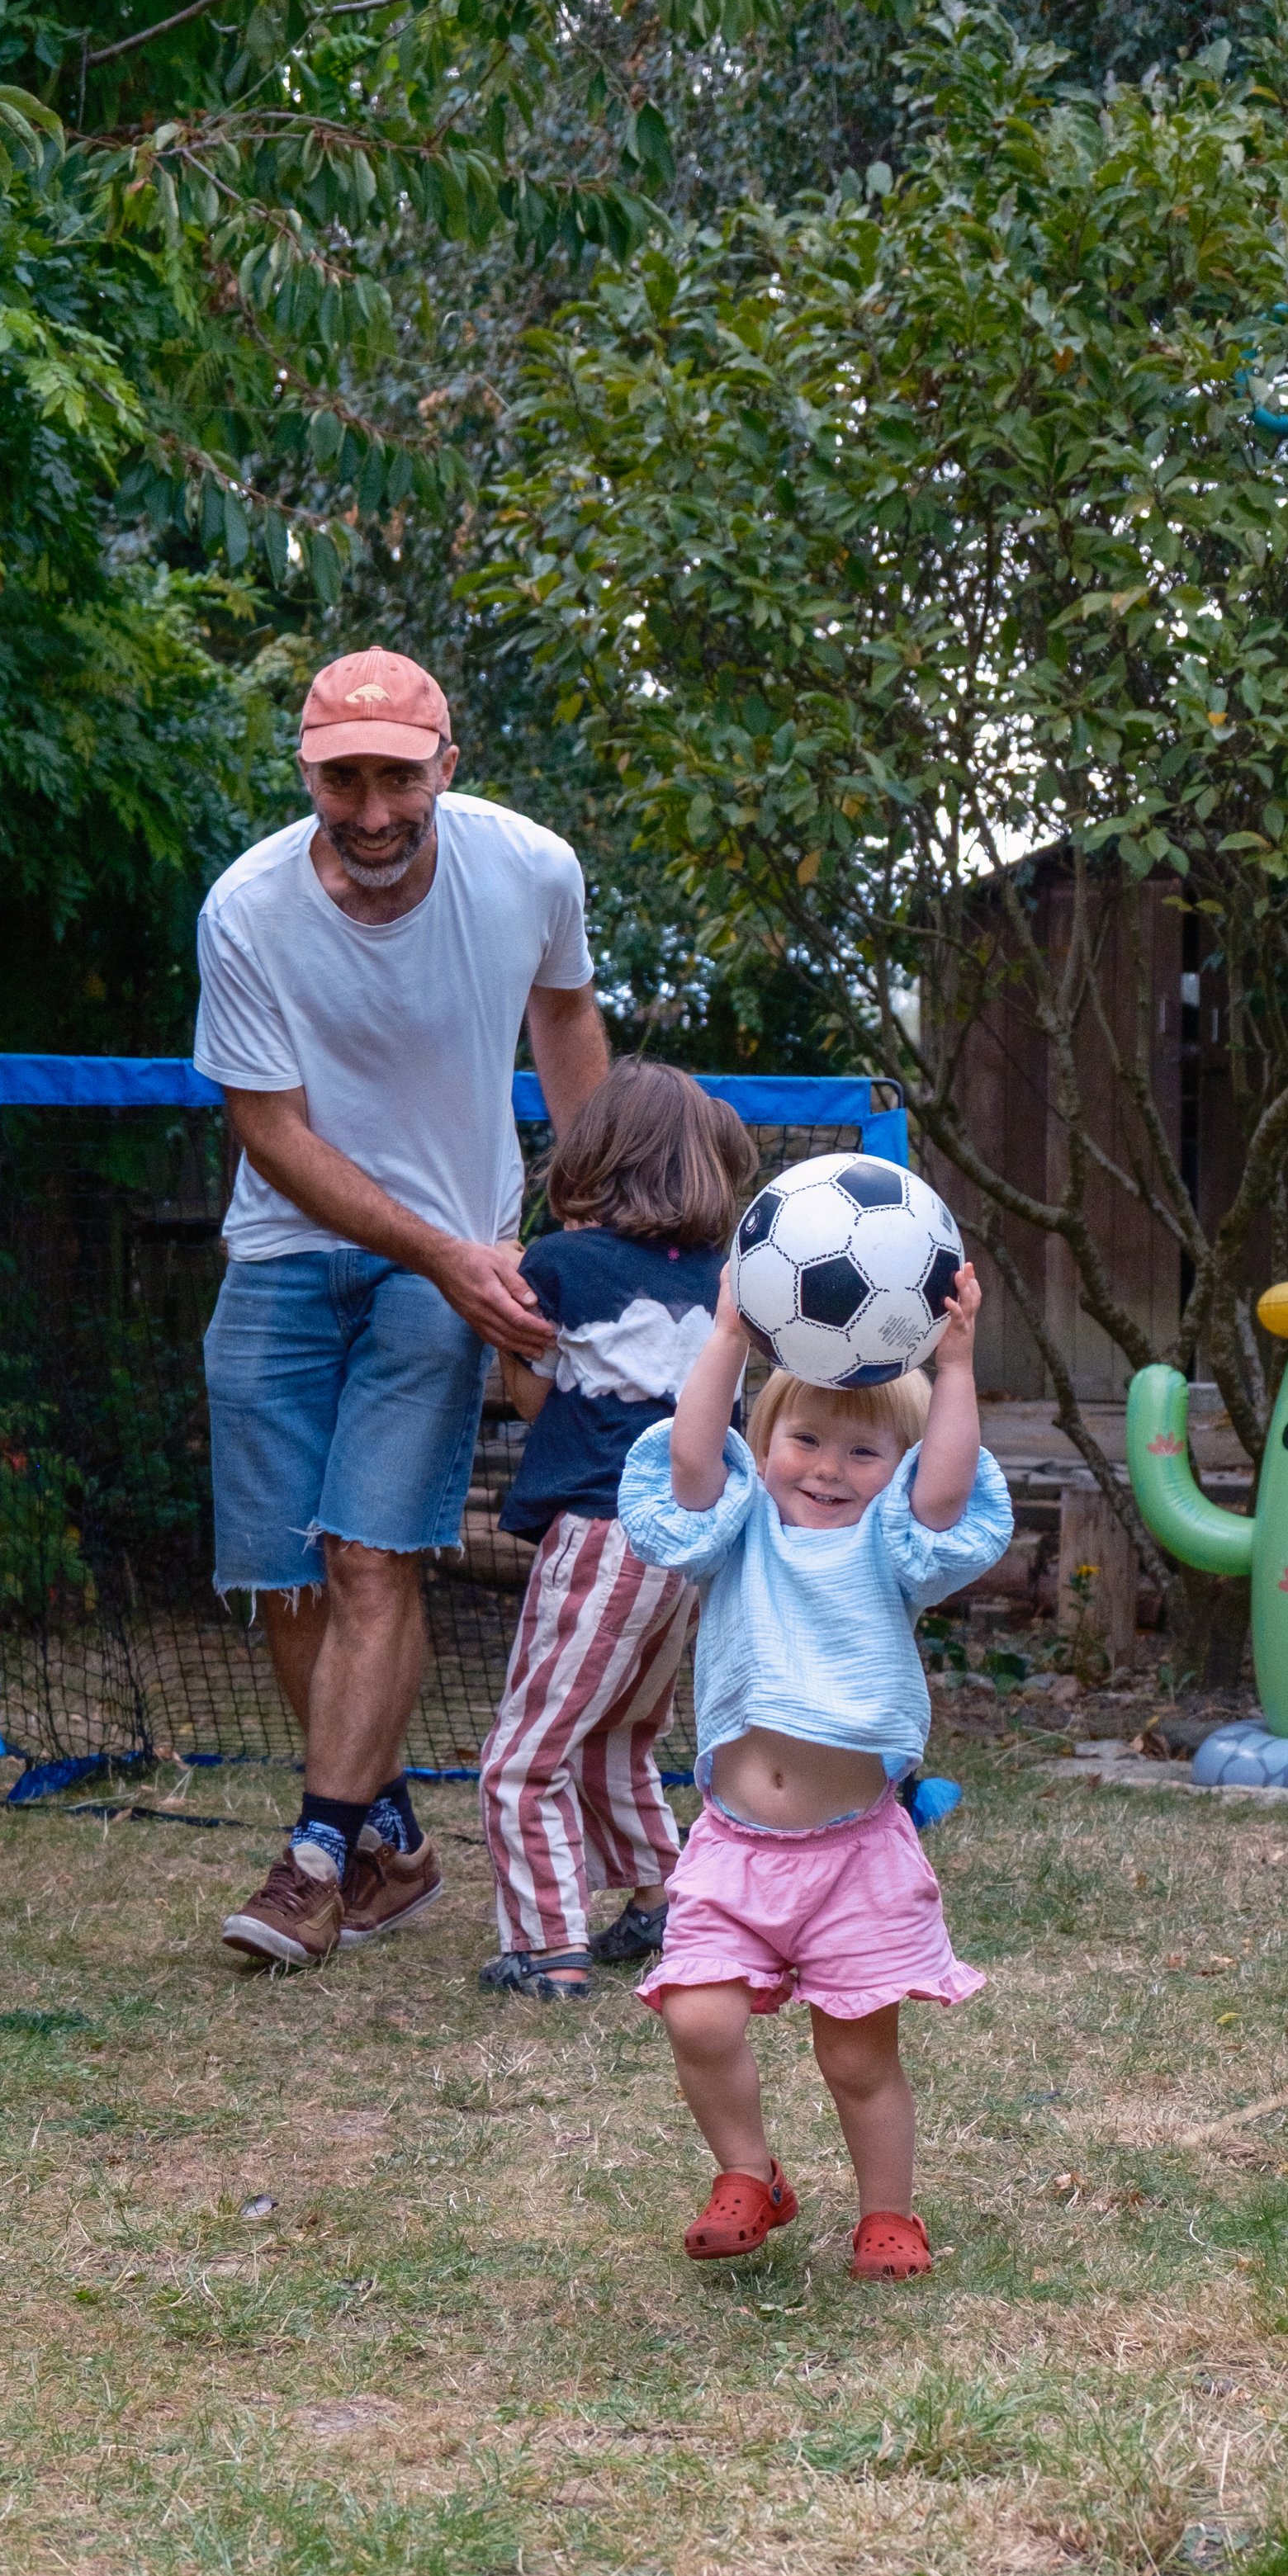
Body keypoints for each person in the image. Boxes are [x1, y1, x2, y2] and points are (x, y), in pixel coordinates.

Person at [195, 646, 609, 1971]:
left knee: (373, 1553)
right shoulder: (246, 909)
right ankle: (394, 1846)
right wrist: (435, 1244)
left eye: (395, 777)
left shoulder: (533, 869)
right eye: (343, 779)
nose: (371, 810)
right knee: (281, 1571)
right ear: (308, 774)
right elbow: (269, 1127)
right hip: (282, 1255)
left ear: (447, 765)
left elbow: (566, 1017)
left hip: (456, 1268)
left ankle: (315, 1858)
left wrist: (589, 1222)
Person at [617, 1257, 1011, 2278]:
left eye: (864, 1450)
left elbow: (947, 1489)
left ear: (899, 1464)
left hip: (852, 1858)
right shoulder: (731, 1532)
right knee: (697, 2017)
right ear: (765, 1441)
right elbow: (689, 1466)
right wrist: (726, 1341)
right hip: (734, 1850)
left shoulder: (893, 1549)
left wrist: (956, 1361)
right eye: (804, 1440)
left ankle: (890, 2215)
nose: (829, 1467)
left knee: (855, 2054)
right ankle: (750, 2174)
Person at [477, 1060, 757, 2002]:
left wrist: (504, 1320)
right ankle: (664, 1904)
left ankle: (546, 1946)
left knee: (526, 1759)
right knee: (620, 1741)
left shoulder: (557, 1264)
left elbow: (528, 1396)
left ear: (594, 1155)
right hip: (693, 1547)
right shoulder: (728, 1281)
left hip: (603, 1535)